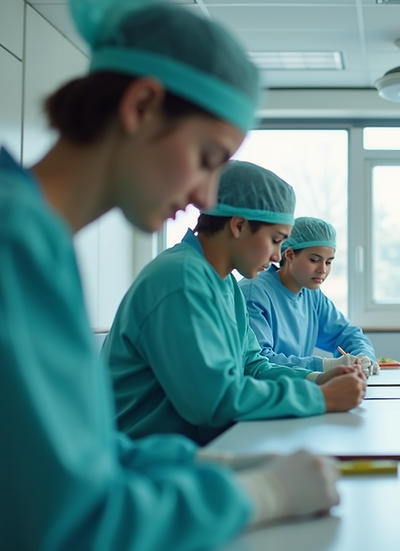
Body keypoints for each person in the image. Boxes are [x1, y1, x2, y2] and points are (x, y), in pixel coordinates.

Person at [0, 2, 341, 549]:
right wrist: (259, 495)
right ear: (141, 106)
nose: (206, 198)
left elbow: (88, 449)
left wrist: (212, 467)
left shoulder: (29, 234)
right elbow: (66, 524)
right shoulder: (2, 239)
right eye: (206, 157)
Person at [105, 164, 366, 445]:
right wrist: (321, 398)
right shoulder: (180, 280)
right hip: (144, 458)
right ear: (239, 226)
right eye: (276, 240)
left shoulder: (224, 283)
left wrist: (316, 378)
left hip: (193, 446)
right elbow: (213, 402)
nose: (279, 255)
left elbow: (252, 364)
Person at [239, 216, 379, 376]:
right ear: (289, 255)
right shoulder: (254, 293)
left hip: (299, 388)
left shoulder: (311, 294)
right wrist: (324, 365)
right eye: (314, 260)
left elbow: (346, 333)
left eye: (328, 262)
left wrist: (364, 356)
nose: (323, 270)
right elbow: (258, 362)